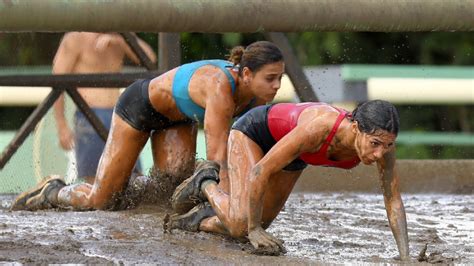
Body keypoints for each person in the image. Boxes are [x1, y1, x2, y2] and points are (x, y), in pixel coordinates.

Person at [10, 41, 285, 212]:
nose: (277, 86)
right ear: (246, 74)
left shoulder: (253, 94)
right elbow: (217, 159)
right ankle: (53, 191)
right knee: (100, 200)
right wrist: (234, 210)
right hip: (138, 108)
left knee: (170, 194)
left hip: (177, 119)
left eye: (280, 78)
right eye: (270, 79)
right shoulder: (220, 89)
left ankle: (130, 192)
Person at [167, 100, 410, 260]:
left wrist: (405, 257)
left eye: (388, 145)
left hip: (294, 155)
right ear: (356, 128)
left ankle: (199, 218)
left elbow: (393, 200)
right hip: (255, 133)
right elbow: (260, 172)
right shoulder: (319, 129)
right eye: (375, 144)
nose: (380, 153)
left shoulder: (383, 149)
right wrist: (253, 229)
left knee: (250, 225)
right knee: (245, 225)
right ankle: (206, 181)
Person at [52, 32, 156, 183]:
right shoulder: (75, 38)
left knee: (133, 180)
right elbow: (57, 82)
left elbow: (150, 59)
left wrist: (121, 41)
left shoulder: (120, 34)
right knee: (96, 183)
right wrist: (61, 126)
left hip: (121, 116)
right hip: (89, 116)